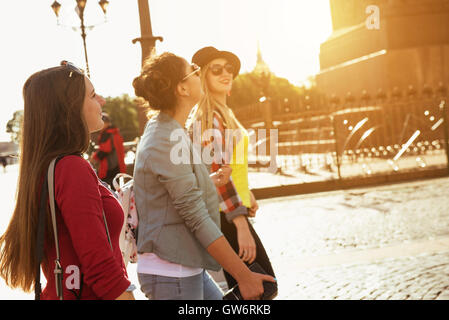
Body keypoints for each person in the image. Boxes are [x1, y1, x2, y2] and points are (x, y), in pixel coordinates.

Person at [132, 52, 275, 300]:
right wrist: (243, 275)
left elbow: (174, 193)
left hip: (185, 265)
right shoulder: (164, 138)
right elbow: (195, 216)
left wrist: (207, 183)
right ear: (182, 89)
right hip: (171, 272)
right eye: (194, 70)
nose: (199, 74)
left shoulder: (171, 129)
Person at [0, 62, 134, 300]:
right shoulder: (72, 168)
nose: (101, 101)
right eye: (92, 95)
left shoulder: (48, 166)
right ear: (70, 109)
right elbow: (101, 269)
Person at [189, 46, 276, 290]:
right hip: (224, 217)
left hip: (228, 211)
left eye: (229, 69)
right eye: (216, 70)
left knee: (252, 288)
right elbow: (218, 172)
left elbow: (230, 167)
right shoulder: (209, 117)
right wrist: (241, 225)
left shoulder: (222, 113)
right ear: (203, 76)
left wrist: (246, 192)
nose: (225, 73)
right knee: (260, 289)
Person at [91, 112, 127, 188]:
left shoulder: (106, 134)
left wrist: (94, 157)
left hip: (109, 167)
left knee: (106, 188)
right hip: (118, 165)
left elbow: (105, 149)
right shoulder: (115, 132)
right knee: (117, 188)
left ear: (106, 123)